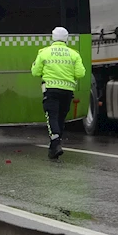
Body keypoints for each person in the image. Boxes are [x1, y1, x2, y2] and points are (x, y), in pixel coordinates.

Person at [31, 27, 85, 159]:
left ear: (53, 37)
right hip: (67, 92)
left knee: (52, 116)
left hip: (51, 90)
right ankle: (54, 147)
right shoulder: (74, 54)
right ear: (67, 38)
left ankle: (55, 142)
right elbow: (80, 73)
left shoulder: (44, 53)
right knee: (61, 117)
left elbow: (35, 72)